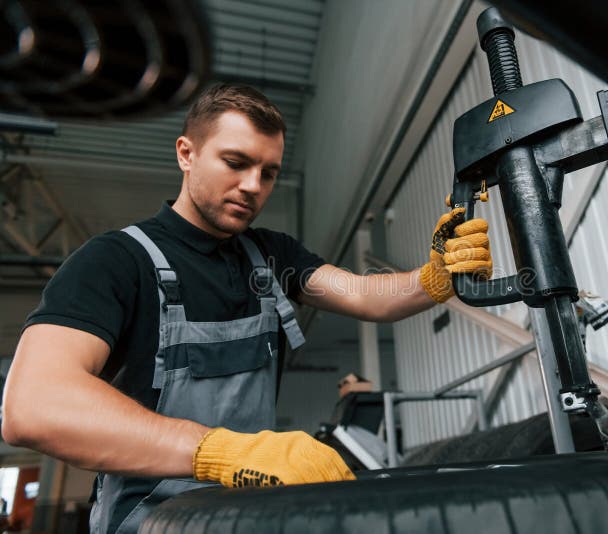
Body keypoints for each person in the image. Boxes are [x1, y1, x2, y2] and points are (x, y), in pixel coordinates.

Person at [0, 84, 492, 533]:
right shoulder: (115, 261)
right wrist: (219, 451)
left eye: (269, 172)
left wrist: (435, 278)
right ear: (186, 154)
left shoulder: (269, 256)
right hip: (149, 520)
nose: (254, 186)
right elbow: (32, 406)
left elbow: (366, 295)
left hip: (249, 513)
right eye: (236, 162)